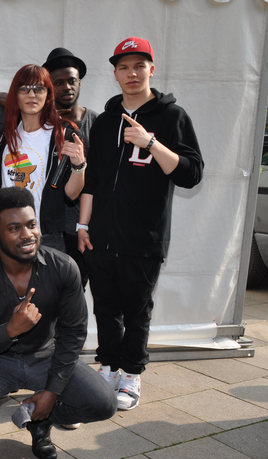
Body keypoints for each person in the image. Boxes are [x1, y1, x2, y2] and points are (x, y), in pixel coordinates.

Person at [78, 37, 203, 411]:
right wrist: (83, 227)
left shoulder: (172, 117)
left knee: (137, 310)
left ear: (151, 69)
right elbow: (93, 181)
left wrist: (151, 143)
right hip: (101, 236)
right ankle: (109, 367)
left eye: (138, 66)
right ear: (115, 74)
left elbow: (191, 174)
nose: (131, 73)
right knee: (105, 308)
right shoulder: (105, 122)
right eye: (123, 67)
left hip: (144, 238)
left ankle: (132, 373)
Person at [0, 187, 117, 459]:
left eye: (31, 225)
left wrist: (51, 394)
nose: (27, 235)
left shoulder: (63, 267)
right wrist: (10, 330)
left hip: (45, 355)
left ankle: (41, 422)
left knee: (104, 403)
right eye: (14, 228)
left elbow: (73, 333)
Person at [0, 64, 87, 253]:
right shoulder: (3, 137)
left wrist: (79, 165)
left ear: (48, 94)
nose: (32, 94)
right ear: (15, 95)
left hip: (46, 237)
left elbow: (71, 195)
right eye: (24, 88)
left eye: (39, 88)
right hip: (8, 235)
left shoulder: (64, 135)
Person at [42, 47, 98, 288]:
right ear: (49, 86)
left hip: (82, 228)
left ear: (80, 82)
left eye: (72, 81)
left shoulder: (96, 123)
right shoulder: (40, 124)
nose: (67, 87)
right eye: (58, 82)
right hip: (47, 228)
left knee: (74, 294)